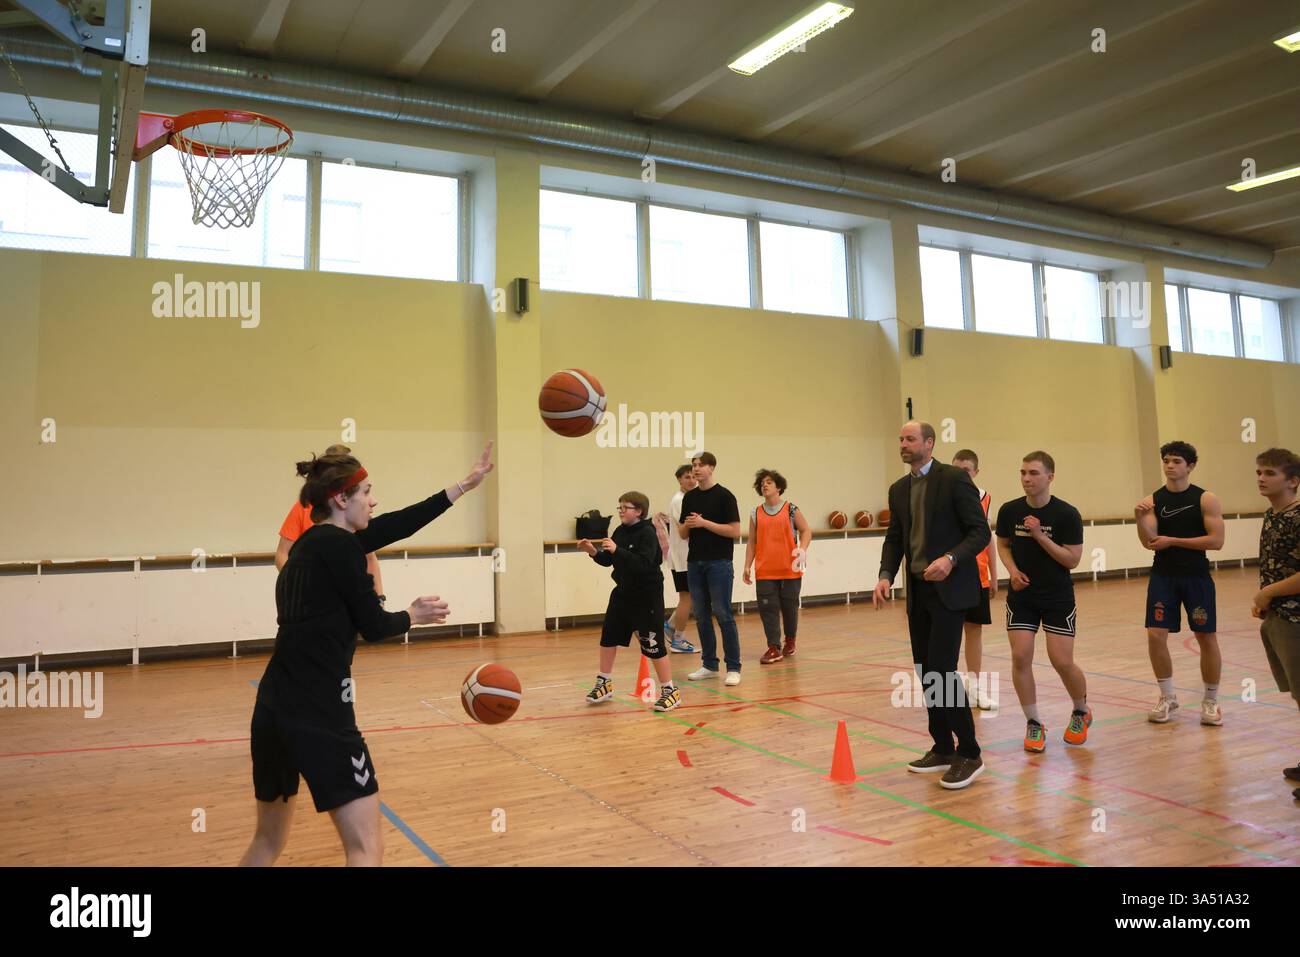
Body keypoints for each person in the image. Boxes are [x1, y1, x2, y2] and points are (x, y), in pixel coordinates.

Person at [240, 443, 494, 867]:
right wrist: (413, 614)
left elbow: (399, 525)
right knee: (366, 848)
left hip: (271, 707)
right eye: (367, 493)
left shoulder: (308, 547)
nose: (374, 501)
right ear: (341, 499)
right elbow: (375, 628)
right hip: (319, 711)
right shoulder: (340, 550)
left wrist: (464, 486)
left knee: (267, 841)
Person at [873, 421, 990, 789]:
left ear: (929, 442)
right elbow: (895, 538)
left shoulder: (954, 479)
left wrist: (951, 559)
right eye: (900, 439)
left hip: (951, 589)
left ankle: (969, 753)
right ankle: (942, 746)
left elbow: (980, 532)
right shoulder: (899, 489)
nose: (903, 445)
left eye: (910, 439)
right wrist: (886, 574)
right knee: (927, 671)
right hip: (919, 592)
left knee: (942, 668)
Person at [995, 451, 1089, 755]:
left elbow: (1072, 560)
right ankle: (1034, 722)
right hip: (1022, 597)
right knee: (1020, 657)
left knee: (1062, 661)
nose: (1026, 479)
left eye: (1034, 473)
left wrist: (1039, 535)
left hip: (1058, 597)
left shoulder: (1066, 514)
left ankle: (1081, 711)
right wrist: (1011, 571)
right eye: (1023, 472)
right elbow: (1003, 543)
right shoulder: (1009, 511)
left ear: (1050, 476)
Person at [1133, 441, 1225, 726]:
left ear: (1190, 466)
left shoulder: (1205, 498)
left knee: (1205, 637)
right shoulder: (1153, 500)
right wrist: (1140, 519)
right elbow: (1150, 542)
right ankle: (1168, 697)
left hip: (1196, 577)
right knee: (1155, 635)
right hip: (1163, 576)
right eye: (1166, 461)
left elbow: (1217, 541)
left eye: (1176, 461)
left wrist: (1174, 541)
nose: (1170, 466)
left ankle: (1210, 701)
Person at [581, 492, 680, 713]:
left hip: (646, 595)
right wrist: (593, 553)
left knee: (652, 645)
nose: (621, 511)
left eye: (625, 507)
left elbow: (643, 564)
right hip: (623, 592)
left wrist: (618, 551)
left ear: (639, 511)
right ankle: (604, 682)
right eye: (620, 507)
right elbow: (610, 561)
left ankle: (669, 690)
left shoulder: (647, 533)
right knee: (608, 637)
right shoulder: (619, 531)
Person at [1251, 448, 1300, 802]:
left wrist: (1267, 593)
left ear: (1293, 481)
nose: (1261, 478)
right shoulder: (1272, 515)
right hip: (1279, 615)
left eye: (1270, 473)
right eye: (1259, 472)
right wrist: (1265, 598)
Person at [276, 444, 385, 604]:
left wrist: (380, 598)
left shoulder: (356, 517)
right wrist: (300, 586)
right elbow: (282, 554)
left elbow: (370, 559)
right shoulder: (303, 508)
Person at [680, 452, 744, 686]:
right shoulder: (689, 498)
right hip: (694, 562)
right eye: (694, 465)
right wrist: (687, 526)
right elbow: (682, 533)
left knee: (723, 613)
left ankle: (734, 667)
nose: (696, 469)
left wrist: (704, 523)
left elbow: (735, 531)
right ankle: (709, 664)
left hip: (719, 563)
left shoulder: (725, 496)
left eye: (700, 465)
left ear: (712, 468)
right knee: (701, 616)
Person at [743, 468, 811, 664]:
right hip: (764, 571)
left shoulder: (791, 509)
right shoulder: (755, 512)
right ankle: (774, 647)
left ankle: (790, 640)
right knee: (768, 610)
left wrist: (803, 549)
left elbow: (806, 530)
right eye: (762, 483)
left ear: (779, 487)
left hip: (790, 569)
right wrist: (747, 565)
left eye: (769, 482)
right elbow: (752, 542)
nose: (764, 485)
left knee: (789, 609)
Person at [952, 450, 997, 709]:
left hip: (977, 574)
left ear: (976, 472)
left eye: (966, 470)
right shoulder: (946, 495)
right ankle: (949, 688)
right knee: (950, 632)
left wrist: (994, 572)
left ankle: (975, 686)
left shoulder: (984, 497)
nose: (962, 474)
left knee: (974, 630)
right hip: (951, 573)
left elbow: (987, 535)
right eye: (957, 469)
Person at [659, 464, 698, 654]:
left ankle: (670, 626)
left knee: (690, 598)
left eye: (693, 477)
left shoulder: (689, 498)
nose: (691, 480)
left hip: (687, 557)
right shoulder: (679, 500)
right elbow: (686, 528)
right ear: (679, 480)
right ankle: (678, 640)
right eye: (687, 477)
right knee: (687, 599)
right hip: (683, 558)